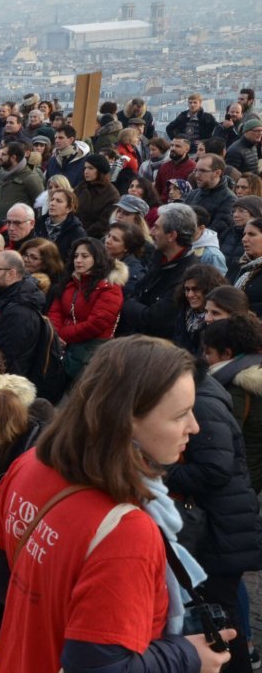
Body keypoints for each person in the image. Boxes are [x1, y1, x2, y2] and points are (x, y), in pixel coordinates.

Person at [0, 337, 235, 672]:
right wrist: (188, 657)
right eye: (181, 415)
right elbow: (102, 666)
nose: (193, 428)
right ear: (125, 419)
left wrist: (45, 610)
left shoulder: (31, 464)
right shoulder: (127, 531)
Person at [168, 357, 262, 673]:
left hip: (221, 530)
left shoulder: (203, 404)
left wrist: (163, 473)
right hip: (222, 526)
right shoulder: (204, 394)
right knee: (220, 611)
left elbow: (214, 469)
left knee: (220, 620)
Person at [46, 238, 126, 379]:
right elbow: (55, 311)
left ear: (97, 258)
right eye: (76, 256)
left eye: (85, 256)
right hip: (63, 347)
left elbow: (96, 323)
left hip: (93, 352)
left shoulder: (110, 287)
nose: (78, 260)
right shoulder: (70, 282)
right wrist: (55, 334)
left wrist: (62, 335)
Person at [204, 316, 262, 492]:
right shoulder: (254, 371)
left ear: (227, 354)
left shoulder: (236, 389)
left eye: (208, 352)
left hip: (239, 481)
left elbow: (223, 444)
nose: (204, 358)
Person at [123, 203, 198, 339]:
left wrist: (126, 304)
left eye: (156, 228)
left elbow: (155, 319)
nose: (151, 232)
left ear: (171, 236)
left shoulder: (188, 275)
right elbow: (137, 292)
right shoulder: (160, 259)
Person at [0, 250, 48, 379]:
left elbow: (5, 358)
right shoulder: (4, 300)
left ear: (10, 274)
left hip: (6, 388)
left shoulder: (19, 312)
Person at [174, 265, 226, 354]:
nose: (190, 295)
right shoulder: (183, 312)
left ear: (209, 289)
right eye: (187, 289)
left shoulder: (218, 318)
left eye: (196, 289)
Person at [73, 154, 120, 239]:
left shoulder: (112, 194)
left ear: (100, 171)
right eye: (85, 168)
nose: (86, 171)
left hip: (95, 240)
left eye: (90, 168)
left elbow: (104, 223)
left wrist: (83, 235)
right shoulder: (81, 187)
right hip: (74, 233)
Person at [35, 186, 86, 260]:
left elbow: (74, 259)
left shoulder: (76, 232)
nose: (52, 203)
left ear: (69, 208)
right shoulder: (39, 223)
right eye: (52, 200)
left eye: (58, 201)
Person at [105, 221, 149, 296]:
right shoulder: (100, 257)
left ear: (127, 247)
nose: (108, 241)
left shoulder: (133, 272)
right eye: (108, 236)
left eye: (115, 239)